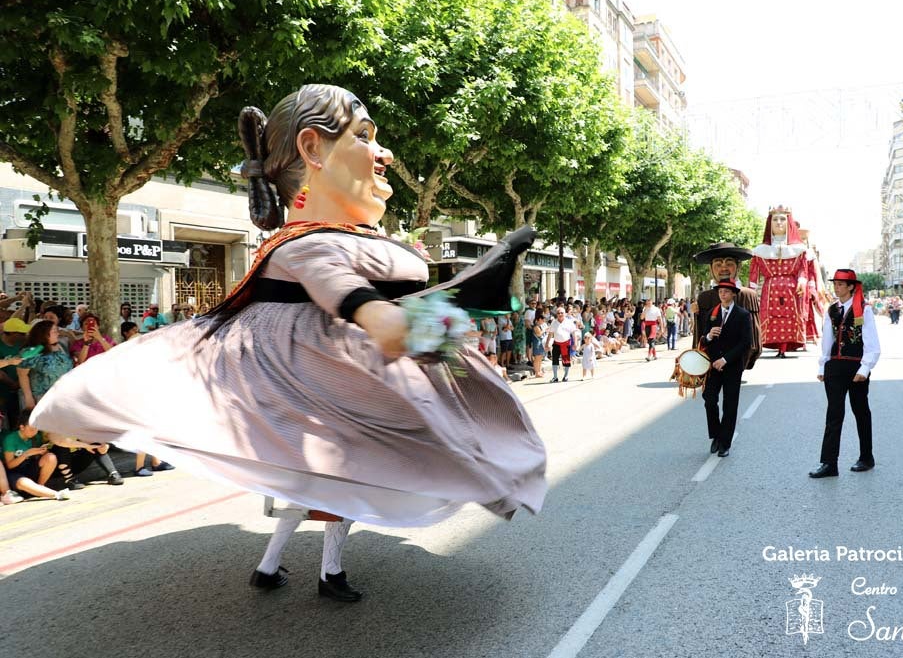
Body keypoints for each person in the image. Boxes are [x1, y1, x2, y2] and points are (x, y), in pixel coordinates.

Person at [29, 83, 546, 602]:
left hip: (340, 408)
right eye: (364, 136)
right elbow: (385, 326)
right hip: (333, 408)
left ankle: (283, 567)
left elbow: (398, 319)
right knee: (334, 492)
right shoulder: (308, 246)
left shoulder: (349, 241)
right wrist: (471, 291)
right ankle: (324, 572)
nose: (385, 153)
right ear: (312, 148)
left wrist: (458, 312)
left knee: (317, 496)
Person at [809, 269, 881, 478]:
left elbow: (872, 343)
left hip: (856, 368)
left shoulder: (863, 310)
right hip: (834, 368)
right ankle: (829, 463)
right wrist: (823, 366)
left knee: (861, 412)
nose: (837, 287)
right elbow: (827, 340)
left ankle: (866, 457)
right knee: (834, 414)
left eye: (841, 284)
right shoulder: (831, 310)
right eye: (835, 283)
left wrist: (865, 368)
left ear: (851, 286)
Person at [699, 280, 752, 458]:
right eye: (720, 291)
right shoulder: (712, 313)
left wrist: (725, 359)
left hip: (732, 366)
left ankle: (725, 443)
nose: (722, 294)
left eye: (726, 292)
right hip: (713, 366)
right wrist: (708, 336)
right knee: (709, 399)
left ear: (733, 294)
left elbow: (745, 343)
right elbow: (703, 339)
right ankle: (716, 434)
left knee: (730, 405)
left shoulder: (743, 315)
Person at [690, 242, 762, 370]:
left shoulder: (747, 295)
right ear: (711, 269)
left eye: (729, 264)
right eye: (718, 264)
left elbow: (753, 339)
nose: (723, 268)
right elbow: (700, 336)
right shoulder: (704, 298)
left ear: (738, 267)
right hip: (711, 362)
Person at [748, 205, 808, 358]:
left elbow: (803, 268)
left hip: (792, 289)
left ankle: (785, 346)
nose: (779, 222)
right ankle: (775, 344)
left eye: (783, 219)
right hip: (770, 290)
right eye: (775, 219)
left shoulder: (799, 249)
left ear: (789, 223)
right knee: (771, 317)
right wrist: (750, 291)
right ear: (770, 223)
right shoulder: (760, 250)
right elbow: (754, 273)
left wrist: (802, 280)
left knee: (790, 317)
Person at [3, 409, 70, 501]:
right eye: (31, 429)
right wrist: (26, 454)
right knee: (23, 482)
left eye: (36, 428)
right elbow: (10, 465)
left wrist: (42, 451)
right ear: (22, 427)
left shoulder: (36, 437)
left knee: (51, 457)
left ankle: (40, 487)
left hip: (30, 467)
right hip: (15, 472)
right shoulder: (11, 439)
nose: (34, 432)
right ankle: (55, 494)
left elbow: (42, 457)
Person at [546, 307, 576, 382]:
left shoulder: (569, 322)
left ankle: (566, 376)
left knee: (566, 361)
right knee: (555, 360)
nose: (560, 314)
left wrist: (575, 343)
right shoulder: (554, 322)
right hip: (556, 344)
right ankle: (555, 377)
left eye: (562, 313)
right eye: (558, 313)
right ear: (556, 314)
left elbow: (573, 333)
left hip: (566, 344)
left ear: (565, 314)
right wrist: (547, 344)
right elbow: (550, 334)